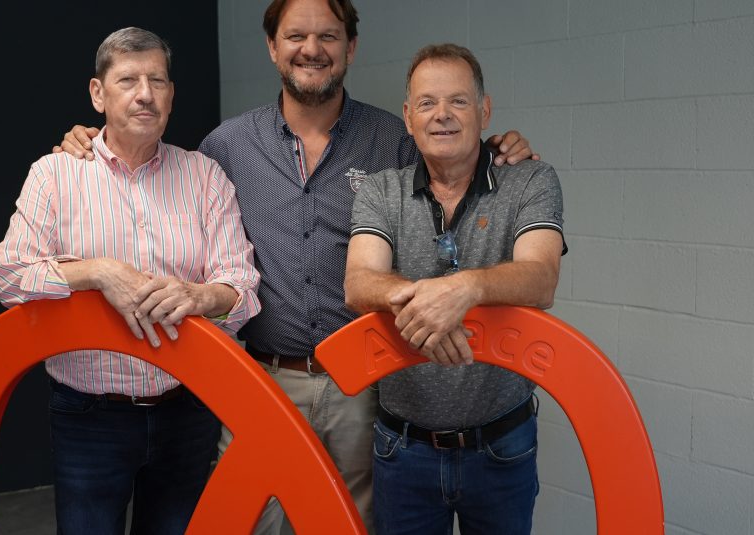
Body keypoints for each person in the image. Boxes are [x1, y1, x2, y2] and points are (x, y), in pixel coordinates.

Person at [54, 2, 536, 532]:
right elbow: (159, 171)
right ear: (272, 47)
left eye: (328, 36)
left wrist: (498, 149)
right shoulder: (227, 146)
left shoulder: (393, 141)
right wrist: (93, 139)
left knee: (352, 523)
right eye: (295, 36)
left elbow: (452, 168)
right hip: (263, 379)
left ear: (350, 47)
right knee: (249, 521)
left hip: (360, 386)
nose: (312, 49)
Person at [0, 27, 260, 535]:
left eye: (157, 81)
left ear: (171, 95)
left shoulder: (204, 176)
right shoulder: (54, 175)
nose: (145, 94)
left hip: (189, 409)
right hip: (88, 415)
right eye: (128, 80)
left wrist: (201, 295)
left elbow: (241, 284)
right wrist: (98, 271)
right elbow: (12, 276)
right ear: (98, 94)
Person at [344, 43, 565, 535]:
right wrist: (433, 305)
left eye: (458, 101)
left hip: (501, 444)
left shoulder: (530, 180)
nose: (441, 114)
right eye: (427, 102)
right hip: (403, 448)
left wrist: (464, 289)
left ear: (484, 110)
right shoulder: (381, 190)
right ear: (408, 117)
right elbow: (359, 283)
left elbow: (541, 277)